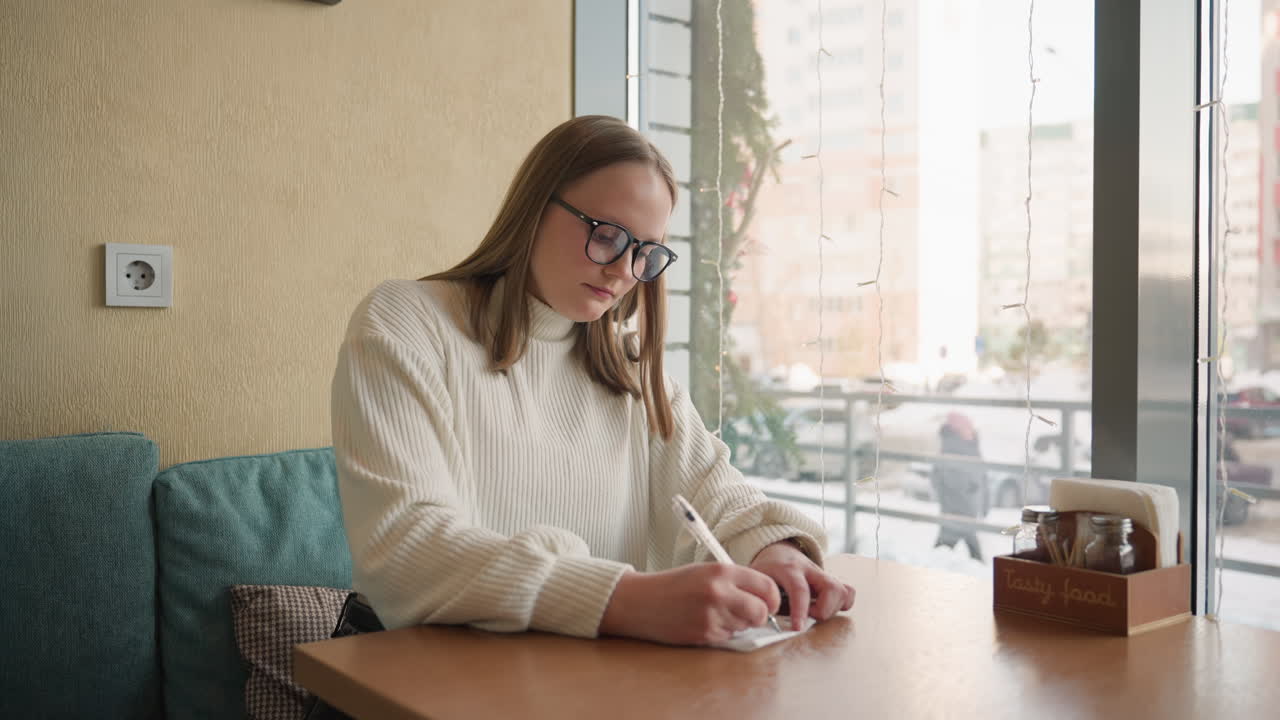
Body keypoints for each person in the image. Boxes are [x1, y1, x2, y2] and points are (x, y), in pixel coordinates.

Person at [331, 115, 854, 647]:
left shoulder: (630, 371)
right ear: (534, 209)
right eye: (606, 236)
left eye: (646, 252)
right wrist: (625, 599)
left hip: (579, 678)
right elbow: (406, 551)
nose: (624, 271)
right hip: (422, 675)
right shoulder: (406, 323)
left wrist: (774, 550)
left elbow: (717, 496)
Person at [931, 412, 989, 560]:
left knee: (946, 547)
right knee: (947, 545)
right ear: (958, 430)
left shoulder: (971, 447)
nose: (970, 430)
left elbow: (982, 477)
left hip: (968, 509)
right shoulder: (951, 448)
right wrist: (969, 488)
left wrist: (984, 503)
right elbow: (940, 478)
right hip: (957, 509)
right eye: (966, 427)